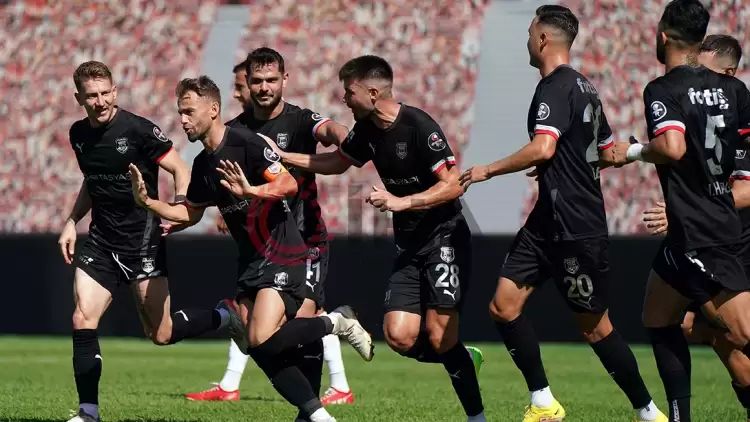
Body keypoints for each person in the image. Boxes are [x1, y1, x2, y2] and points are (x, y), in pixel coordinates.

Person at [458, 5, 667, 422]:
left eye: (530, 32)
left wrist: (488, 170)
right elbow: (605, 152)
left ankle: (648, 411)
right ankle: (544, 403)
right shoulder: (586, 87)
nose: (526, 40)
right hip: (546, 221)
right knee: (503, 306)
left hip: (575, 223)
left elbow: (544, 147)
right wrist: (567, 160)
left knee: (595, 327)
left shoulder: (554, 87)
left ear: (542, 39)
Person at [129, 75, 373, 422]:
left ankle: (337, 322)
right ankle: (315, 413)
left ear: (213, 110)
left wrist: (252, 191)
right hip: (250, 261)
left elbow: (287, 183)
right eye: (180, 112)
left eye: (189, 112)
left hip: (282, 252)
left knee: (259, 336)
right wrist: (149, 203)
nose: (182, 120)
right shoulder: (203, 164)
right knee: (256, 344)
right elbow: (190, 213)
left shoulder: (247, 143)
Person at [271, 55, 486, 422]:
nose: (344, 99)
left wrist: (403, 202)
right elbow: (337, 162)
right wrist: (285, 156)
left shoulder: (418, 125)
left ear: (372, 93)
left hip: (445, 238)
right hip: (409, 245)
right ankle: (462, 357)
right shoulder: (366, 130)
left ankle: (476, 416)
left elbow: (453, 184)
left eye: (349, 92)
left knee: (440, 336)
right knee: (399, 336)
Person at [61, 61, 245, 422]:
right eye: (91, 95)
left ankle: (226, 316)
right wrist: (71, 221)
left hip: (142, 241)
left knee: (161, 334)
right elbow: (92, 181)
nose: (99, 101)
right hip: (100, 242)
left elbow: (180, 168)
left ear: (115, 91)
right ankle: (88, 412)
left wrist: (179, 208)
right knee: (82, 317)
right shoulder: (78, 134)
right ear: (79, 98)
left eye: (105, 93)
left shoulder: (139, 130)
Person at [185, 47, 357, 409]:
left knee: (299, 321)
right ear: (247, 82)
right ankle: (311, 399)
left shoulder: (300, 120)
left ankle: (317, 398)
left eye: (272, 80)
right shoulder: (236, 130)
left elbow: (331, 130)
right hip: (264, 246)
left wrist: (344, 137)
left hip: (306, 237)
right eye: (257, 81)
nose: (264, 87)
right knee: (259, 334)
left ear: (284, 80)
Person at [611, 1, 750, 420]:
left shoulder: (663, 88)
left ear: (663, 35)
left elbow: (672, 147)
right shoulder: (735, 91)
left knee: (741, 335)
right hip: (691, 232)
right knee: (659, 318)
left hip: (705, 233)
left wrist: (631, 152)